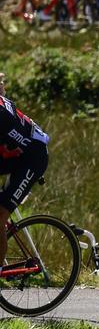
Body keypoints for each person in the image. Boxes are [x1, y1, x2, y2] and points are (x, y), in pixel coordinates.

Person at [0, 72, 50, 277]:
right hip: (17, 153)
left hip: (33, 158)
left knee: (0, 214)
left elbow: (21, 146)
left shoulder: (1, 115)